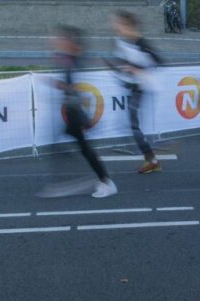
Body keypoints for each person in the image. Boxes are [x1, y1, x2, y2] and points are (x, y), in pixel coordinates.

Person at [51, 25, 116, 198]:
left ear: (69, 42)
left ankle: (105, 181)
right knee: (72, 147)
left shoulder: (76, 60)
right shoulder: (69, 58)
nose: (56, 41)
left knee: (83, 148)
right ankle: (99, 179)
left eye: (60, 39)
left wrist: (58, 85)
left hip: (75, 111)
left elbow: (74, 86)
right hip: (73, 109)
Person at [109, 11, 163, 175]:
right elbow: (124, 64)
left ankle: (152, 159)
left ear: (128, 26)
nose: (115, 26)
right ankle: (151, 158)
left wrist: (134, 68)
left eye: (118, 24)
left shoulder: (140, 42)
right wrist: (122, 68)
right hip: (135, 87)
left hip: (142, 88)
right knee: (132, 125)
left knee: (133, 125)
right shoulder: (125, 42)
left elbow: (159, 61)